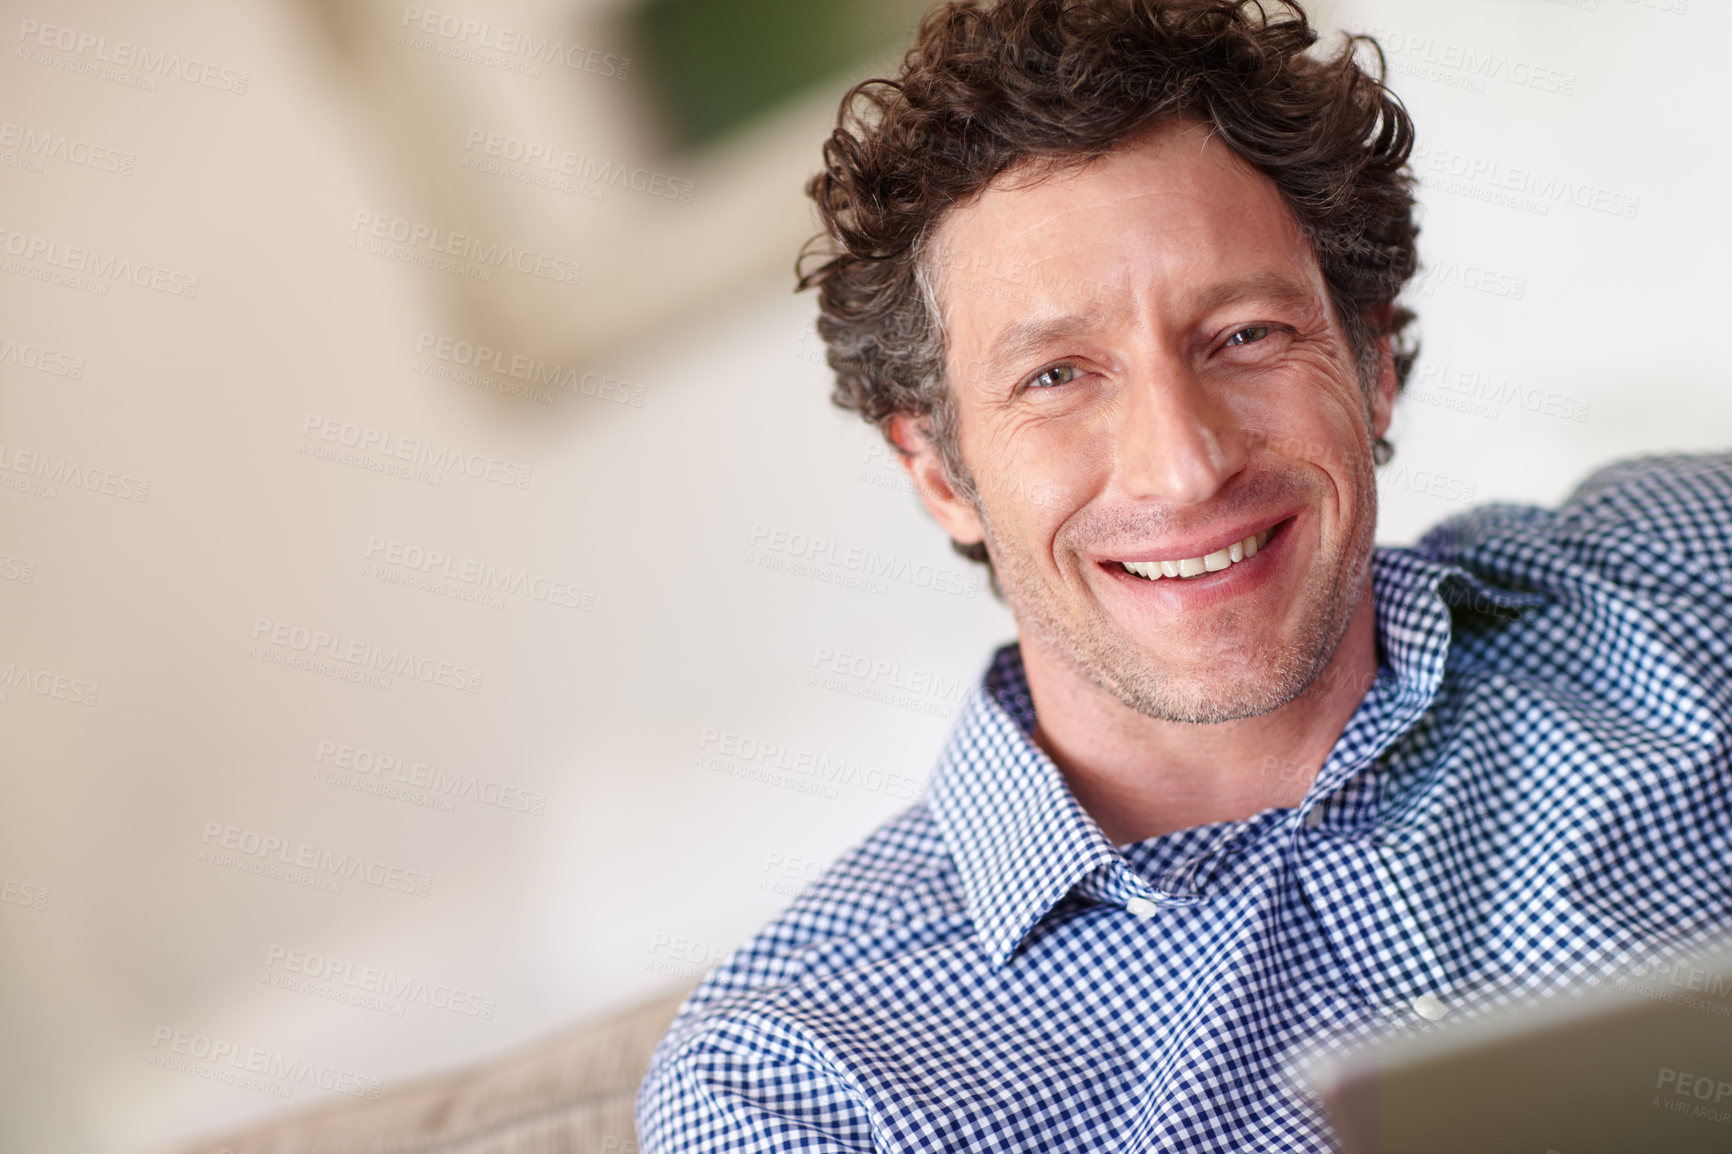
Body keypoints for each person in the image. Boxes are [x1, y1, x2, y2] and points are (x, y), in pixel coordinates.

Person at [638, 0, 1732, 1149]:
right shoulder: (796, 1079)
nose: (1184, 464)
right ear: (939, 473)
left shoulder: (1679, 571)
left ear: (1369, 366)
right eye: (1059, 375)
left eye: (1245, 335)